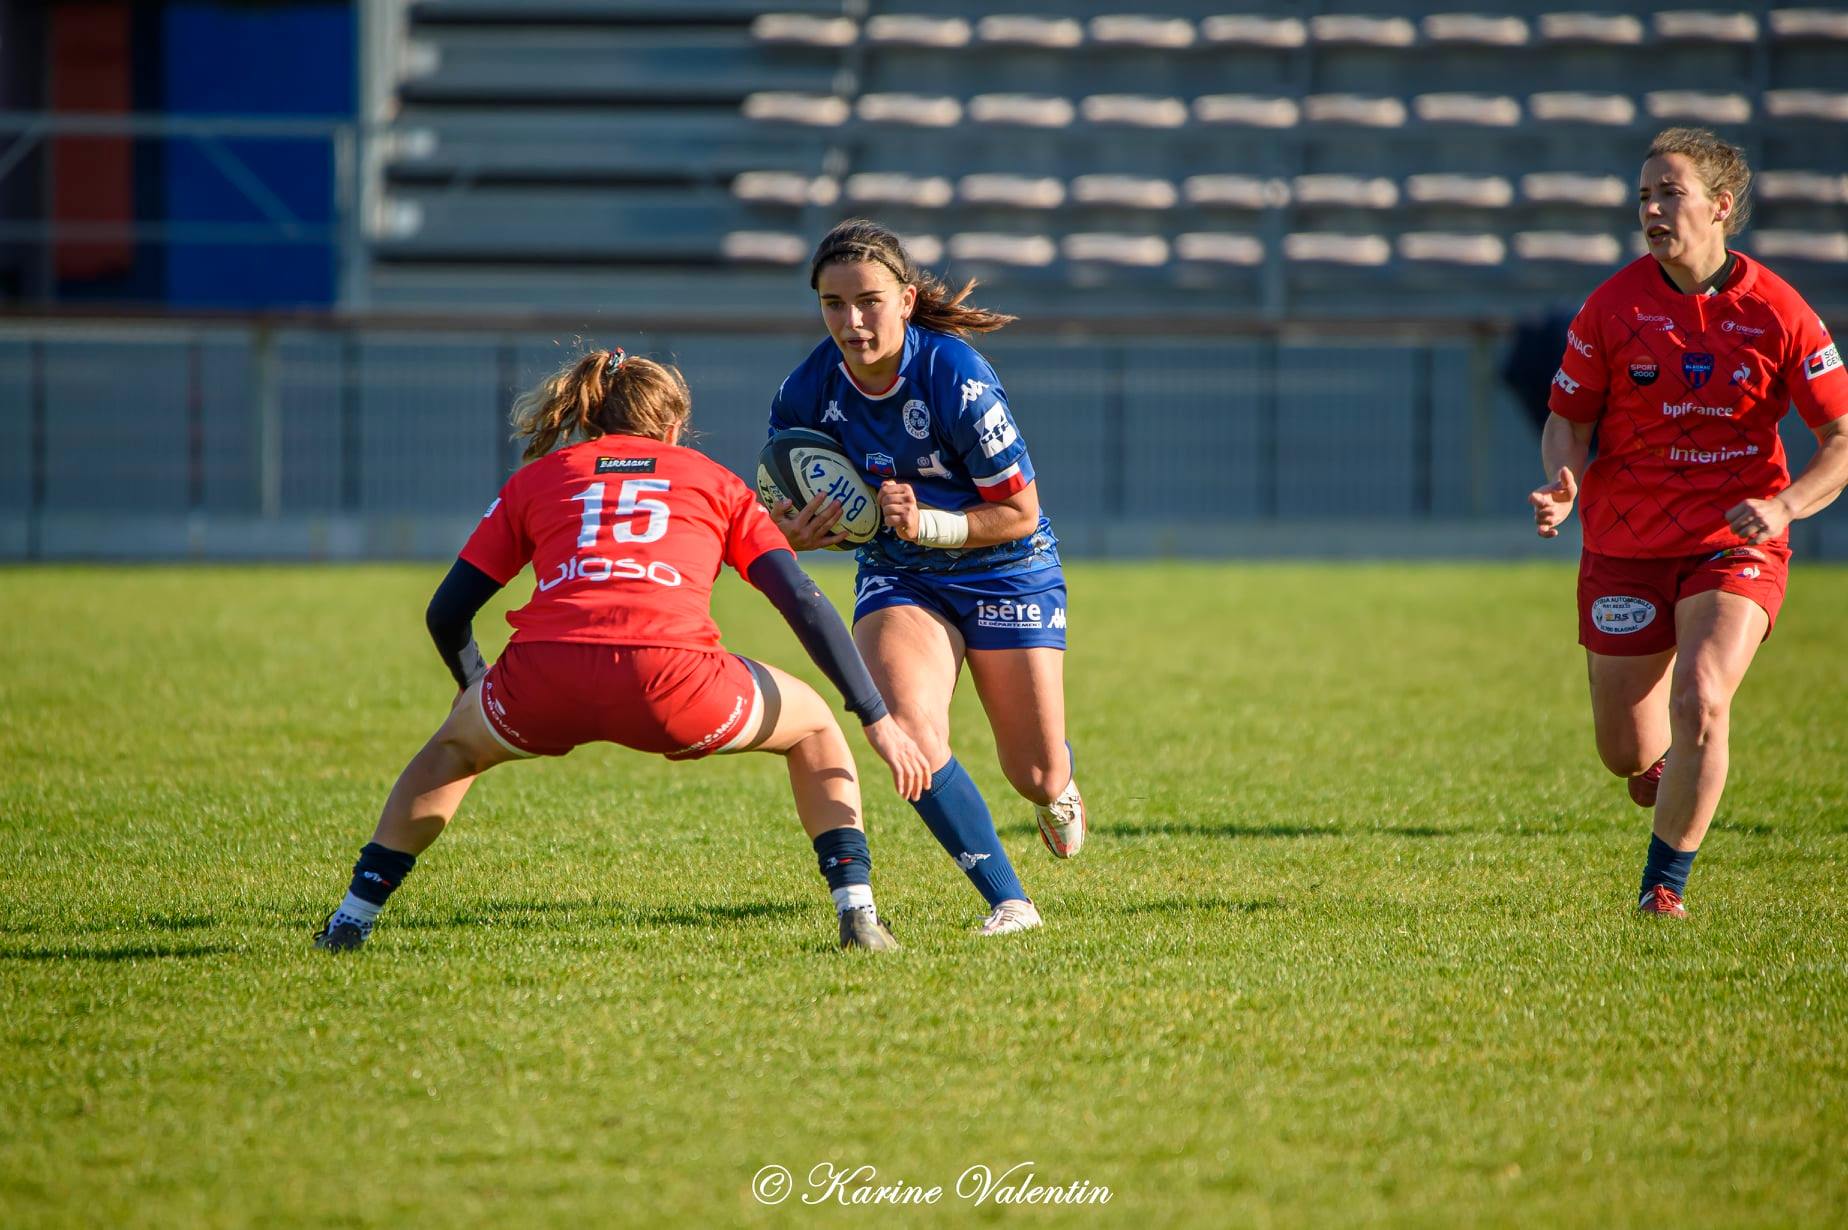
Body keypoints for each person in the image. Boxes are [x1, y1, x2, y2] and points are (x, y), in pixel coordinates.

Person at [312, 348, 930, 953]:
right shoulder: (715, 482)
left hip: (543, 677)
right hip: (675, 682)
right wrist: (875, 715)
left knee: (449, 752)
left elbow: (446, 612)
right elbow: (802, 601)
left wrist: (473, 685)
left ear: (587, 418)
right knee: (815, 726)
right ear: (672, 427)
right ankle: (857, 914)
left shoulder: (538, 479)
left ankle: (352, 918)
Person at [1530, 128, 1848, 917]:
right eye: (1644, 195)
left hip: (1732, 542)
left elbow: (1841, 439)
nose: (1652, 208)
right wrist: (1563, 482)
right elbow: (1566, 418)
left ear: (1720, 205)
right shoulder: (1613, 306)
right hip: (1624, 543)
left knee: (1703, 696)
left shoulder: (1779, 312)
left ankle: (1661, 893)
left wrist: (1782, 506)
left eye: (1669, 192)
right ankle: (1664, 767)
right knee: (1627, 755)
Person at [766, 218, 1086, 937]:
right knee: (908, 728)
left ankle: (1059, 784)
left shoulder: (957, 376)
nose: (851, 321)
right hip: (902, 575)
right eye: (832, 304)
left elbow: (1019, 512)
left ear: (906, 299)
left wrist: (930, 523)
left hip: (1007, 570)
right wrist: (800, 533)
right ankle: (1010, 902)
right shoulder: (805, 392)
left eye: (869, 301)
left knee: (1034, 774)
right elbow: (788, 505)